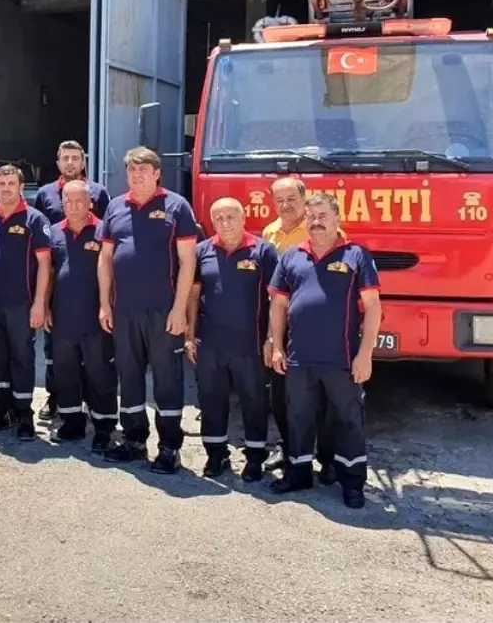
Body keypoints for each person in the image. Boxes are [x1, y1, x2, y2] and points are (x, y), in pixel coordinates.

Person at [268, 193, 381, 509]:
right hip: (299, 359)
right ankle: (299, 474)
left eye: (323, 216)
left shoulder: (356, 255)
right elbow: (278, 305)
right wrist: (277, 347)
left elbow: (373, 308)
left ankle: (352, 482)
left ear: (337, 219)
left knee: (348, 421)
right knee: (298, 418)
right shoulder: (292, 256)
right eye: (311, 216)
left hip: (342, 359)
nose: (316, 222)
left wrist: (365, 355)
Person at [97, 146, 198, 474]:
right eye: (131, 170)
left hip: (163, 312)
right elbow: (105, 259)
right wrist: (104, 304)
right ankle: (134, 440)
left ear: (157, 173)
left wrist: (179, 309)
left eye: (143, 170)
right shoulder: (115, 207)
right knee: (129, 376)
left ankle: (169, 447)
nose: (136, 175)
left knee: (167, 379)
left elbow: (187, 262)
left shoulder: (176, 207)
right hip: (124, 311)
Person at [187, 197, 279, 481]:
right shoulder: (202, 251)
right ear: (212, 223)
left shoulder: (263, 251)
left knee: (254, 402)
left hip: (249, 345)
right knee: (211, 401)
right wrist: (190, 335)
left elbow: (276, 299)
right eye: (219, 218)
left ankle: (254, 459)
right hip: (211, 343)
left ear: (243, 219)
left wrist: (272, 338)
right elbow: (192, 296)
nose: (225, 223)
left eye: (230, 217)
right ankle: (216, 455)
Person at [262, 176, 338, 479]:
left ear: (304, 201)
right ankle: (288, 446)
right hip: (282, 323)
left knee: (322, 395)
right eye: (278, 199)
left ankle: (327, 457)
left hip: (317, 328)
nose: (284, 205)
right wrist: (271, 335)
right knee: (280, 393)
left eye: (291, 199)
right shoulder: (270, 233)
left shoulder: (321, 231)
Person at [32, 140, 111, 423]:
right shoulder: (44, 196)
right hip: (62, 299)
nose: (70, 163)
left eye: (75, 158)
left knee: (97, 359)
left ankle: (98, 413)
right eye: (65, 158)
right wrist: (43, 302)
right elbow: (48, 262)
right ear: (58, 162)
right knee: (58, 355)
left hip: (91, 294)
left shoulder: (99, 196)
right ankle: (58, 401)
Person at [0, 164, 52, 440]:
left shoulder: (34, 219)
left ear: (21, 187)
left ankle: (23, 413)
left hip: (22, 303)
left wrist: (39, 304)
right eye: (2, 184)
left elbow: (45, 264)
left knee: (22, 357)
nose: (6, 188)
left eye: (11, 183)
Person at [46, 180, 117, 451]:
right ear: (62, 203)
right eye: (68, 201)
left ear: (91, 203)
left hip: (96, 317)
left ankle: (104, 426)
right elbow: (49, 273)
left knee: (100, 371)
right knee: (66, 371)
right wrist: (44, 305)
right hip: (63, 316)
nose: (74, 206)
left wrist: (108, 306)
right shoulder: (53, 233)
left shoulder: (104, 231)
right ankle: (72, 422)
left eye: (80, 201)